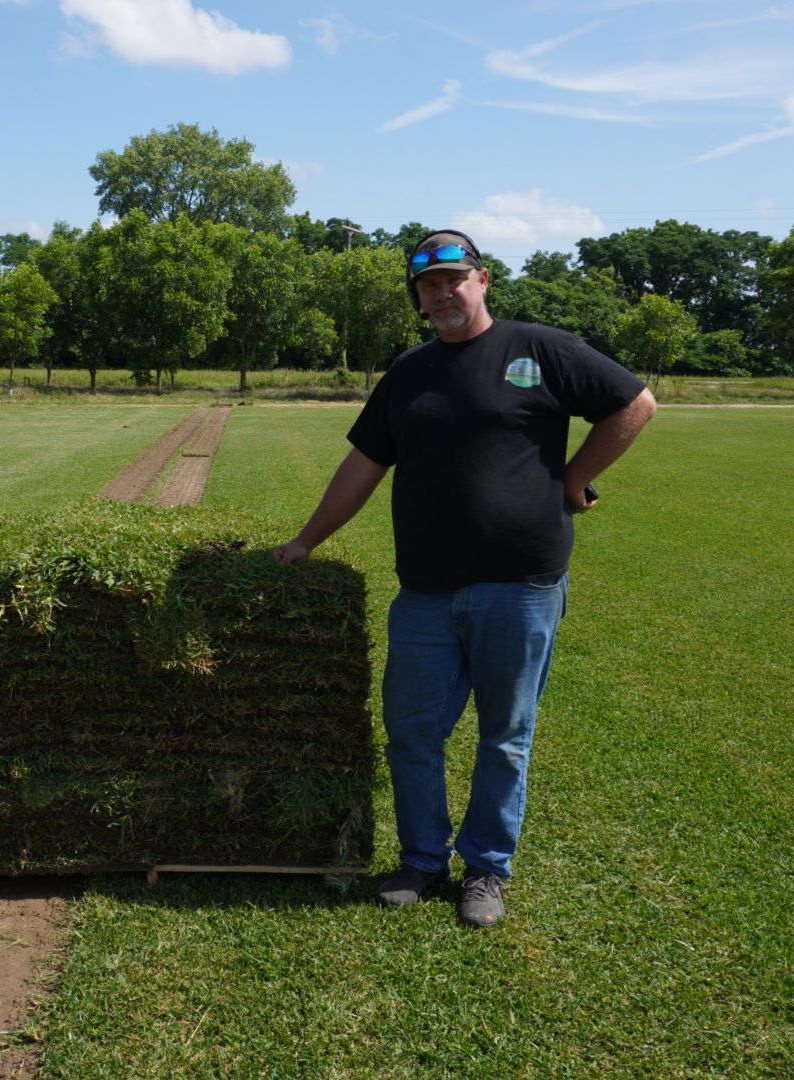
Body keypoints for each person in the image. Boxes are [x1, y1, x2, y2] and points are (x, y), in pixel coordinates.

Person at [272, 229, 656, 928]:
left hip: (521, 587)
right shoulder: (409, 374)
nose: (442, 293)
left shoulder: (537, 350)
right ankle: (422, 860)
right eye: (428, 286)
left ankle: (486, 870)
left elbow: (634, 404)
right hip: (425, 593)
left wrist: (575, 479)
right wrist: (305, 541)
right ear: (418, 299)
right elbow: (362, 466)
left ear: (482, 280)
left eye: (454, 278)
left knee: (505, 736)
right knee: (412, 732)